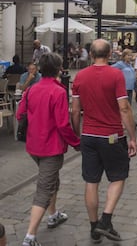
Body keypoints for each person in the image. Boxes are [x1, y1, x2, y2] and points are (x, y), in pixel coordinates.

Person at [71, 39, 137, 243]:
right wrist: (132, 137)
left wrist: (77, 134)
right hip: (111, 135)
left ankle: (94, 227)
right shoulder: (115, 75)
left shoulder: (80, 76)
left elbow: (75, 110)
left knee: (91, 181)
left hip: (89, 135)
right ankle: (105, 220)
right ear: (110, 55)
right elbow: (124, 108)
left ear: (91, 54)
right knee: (118, 176)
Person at [16, 53, 80, 246]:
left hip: (33, 145)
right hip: (51, 147)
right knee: (44, 188)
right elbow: (63, 124)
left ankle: (53, 215)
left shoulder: (32, 89)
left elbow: (20, 114)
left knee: (52, 179)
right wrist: (77, 142)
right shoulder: (58, 92)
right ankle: (30, 236)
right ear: (59, 69)